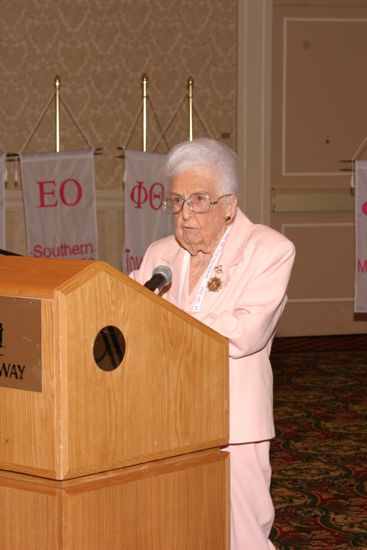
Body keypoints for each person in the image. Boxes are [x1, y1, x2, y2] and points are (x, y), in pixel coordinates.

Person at [130, 138, 295, 549]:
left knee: (242, 534)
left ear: (229, 205)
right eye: (177, 201)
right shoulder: (159, 254)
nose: (185, 215)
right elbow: (127, 313)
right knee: (176, 525)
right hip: (168, 419)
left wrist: (165, 321)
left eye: (199, 200)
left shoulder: (269, 251)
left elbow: (245, 333)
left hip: (233, 423)